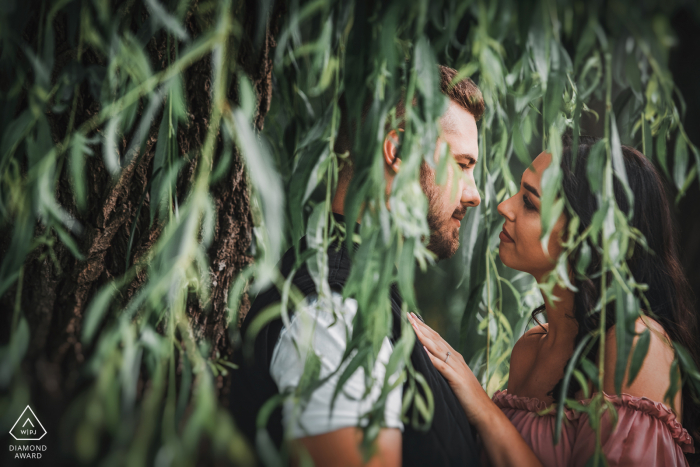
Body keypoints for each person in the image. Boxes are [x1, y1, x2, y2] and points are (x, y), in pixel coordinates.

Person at [231, 65, 485, 466]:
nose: (475, 194)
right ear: (397, 153)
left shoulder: (366, 291)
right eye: (463, 165)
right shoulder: (335, 315)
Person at [410, 135, 699, 467]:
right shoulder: (529, 349)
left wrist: (484, 409)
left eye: (530, 203)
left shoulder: (633, 345)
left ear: (588, 237)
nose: (504, 206)